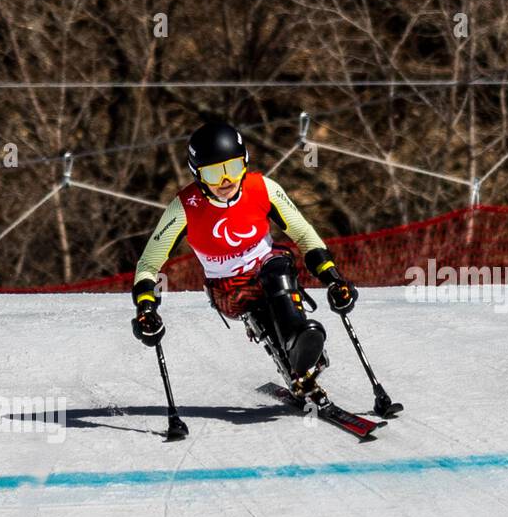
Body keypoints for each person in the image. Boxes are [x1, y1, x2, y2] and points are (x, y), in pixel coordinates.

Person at [130, 120, 358, 399]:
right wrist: (146, 308)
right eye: (214, 174)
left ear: (245, 163)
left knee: (277, 269)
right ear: (197, 174)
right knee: (268, 280)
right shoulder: (184, 208)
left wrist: (333, 279)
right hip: (229, 289)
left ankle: (299, 341)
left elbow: (303, 233)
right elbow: (149, 264)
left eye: (234, 168)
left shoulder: (263, 188)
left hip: (271, 268)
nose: (226, 182)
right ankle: (296, 347)